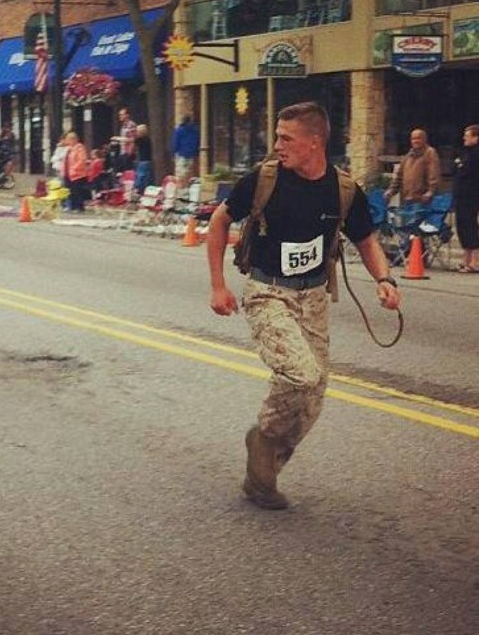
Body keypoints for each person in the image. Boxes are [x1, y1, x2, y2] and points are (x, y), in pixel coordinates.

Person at [207, 101, 401, 510]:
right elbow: (219, 221)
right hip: (267, 291)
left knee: (314, 396)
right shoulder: (264, 179)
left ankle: (266, 465)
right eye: (277, 136)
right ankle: (263, 437)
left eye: (286, 138)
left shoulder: (344, 190)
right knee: (301, 373)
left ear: (315, 143)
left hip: (313, 296)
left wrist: (384, 279)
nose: (277, 144)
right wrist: (218, 286)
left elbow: (366, 240)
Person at [384, 129, 440, 213]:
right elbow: (399, 177)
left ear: (424, 139)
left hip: (422, 200)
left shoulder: (430, 153)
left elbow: (434, 174)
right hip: (407, 200)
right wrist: (391, 191)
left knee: (418, 224)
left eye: (418, 138)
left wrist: (430, 191)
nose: (415, 141)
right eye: (413, 139)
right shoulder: (407, 156)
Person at [453, 124, 479, 273]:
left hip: (472, 197)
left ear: (476, 138)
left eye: (467, 135)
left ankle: (475, 261)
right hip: (461, 197)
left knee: (470, 227)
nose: (464, 138)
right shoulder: (465, 153)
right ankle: (466, 259)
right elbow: (456, 169)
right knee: (462, 226)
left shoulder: (476, 155)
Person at [171, 114, 201, 189]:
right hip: (191, 153)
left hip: (181, 153)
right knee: (189, 171)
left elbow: (175, 142)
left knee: (180, 173)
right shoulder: (195, 130)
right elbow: (197, 141)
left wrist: (173, 152)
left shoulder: (179, 130)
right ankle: (188, 187)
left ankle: (181, 188)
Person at [63, 131, 89, 212]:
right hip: (68, 173)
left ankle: (79, 207)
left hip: (77, 174)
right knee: (69, 191)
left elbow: (82, 160)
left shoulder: (79, 148)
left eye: (68, 139)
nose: (66, 141)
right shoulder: (69, 149)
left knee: (77, 191)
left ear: (73, 139)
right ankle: (71, 206)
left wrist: (74, 168)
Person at [134, 124, 154, 193]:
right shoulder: (147, 139)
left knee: (141, 176)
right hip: (147, 161)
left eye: (137, 131)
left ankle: (138, 190)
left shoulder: (142, 139)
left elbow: (131, 141)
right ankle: (144, 191)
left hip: (143, 161)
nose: (136, 133)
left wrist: (120, 139)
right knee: (146, 177)